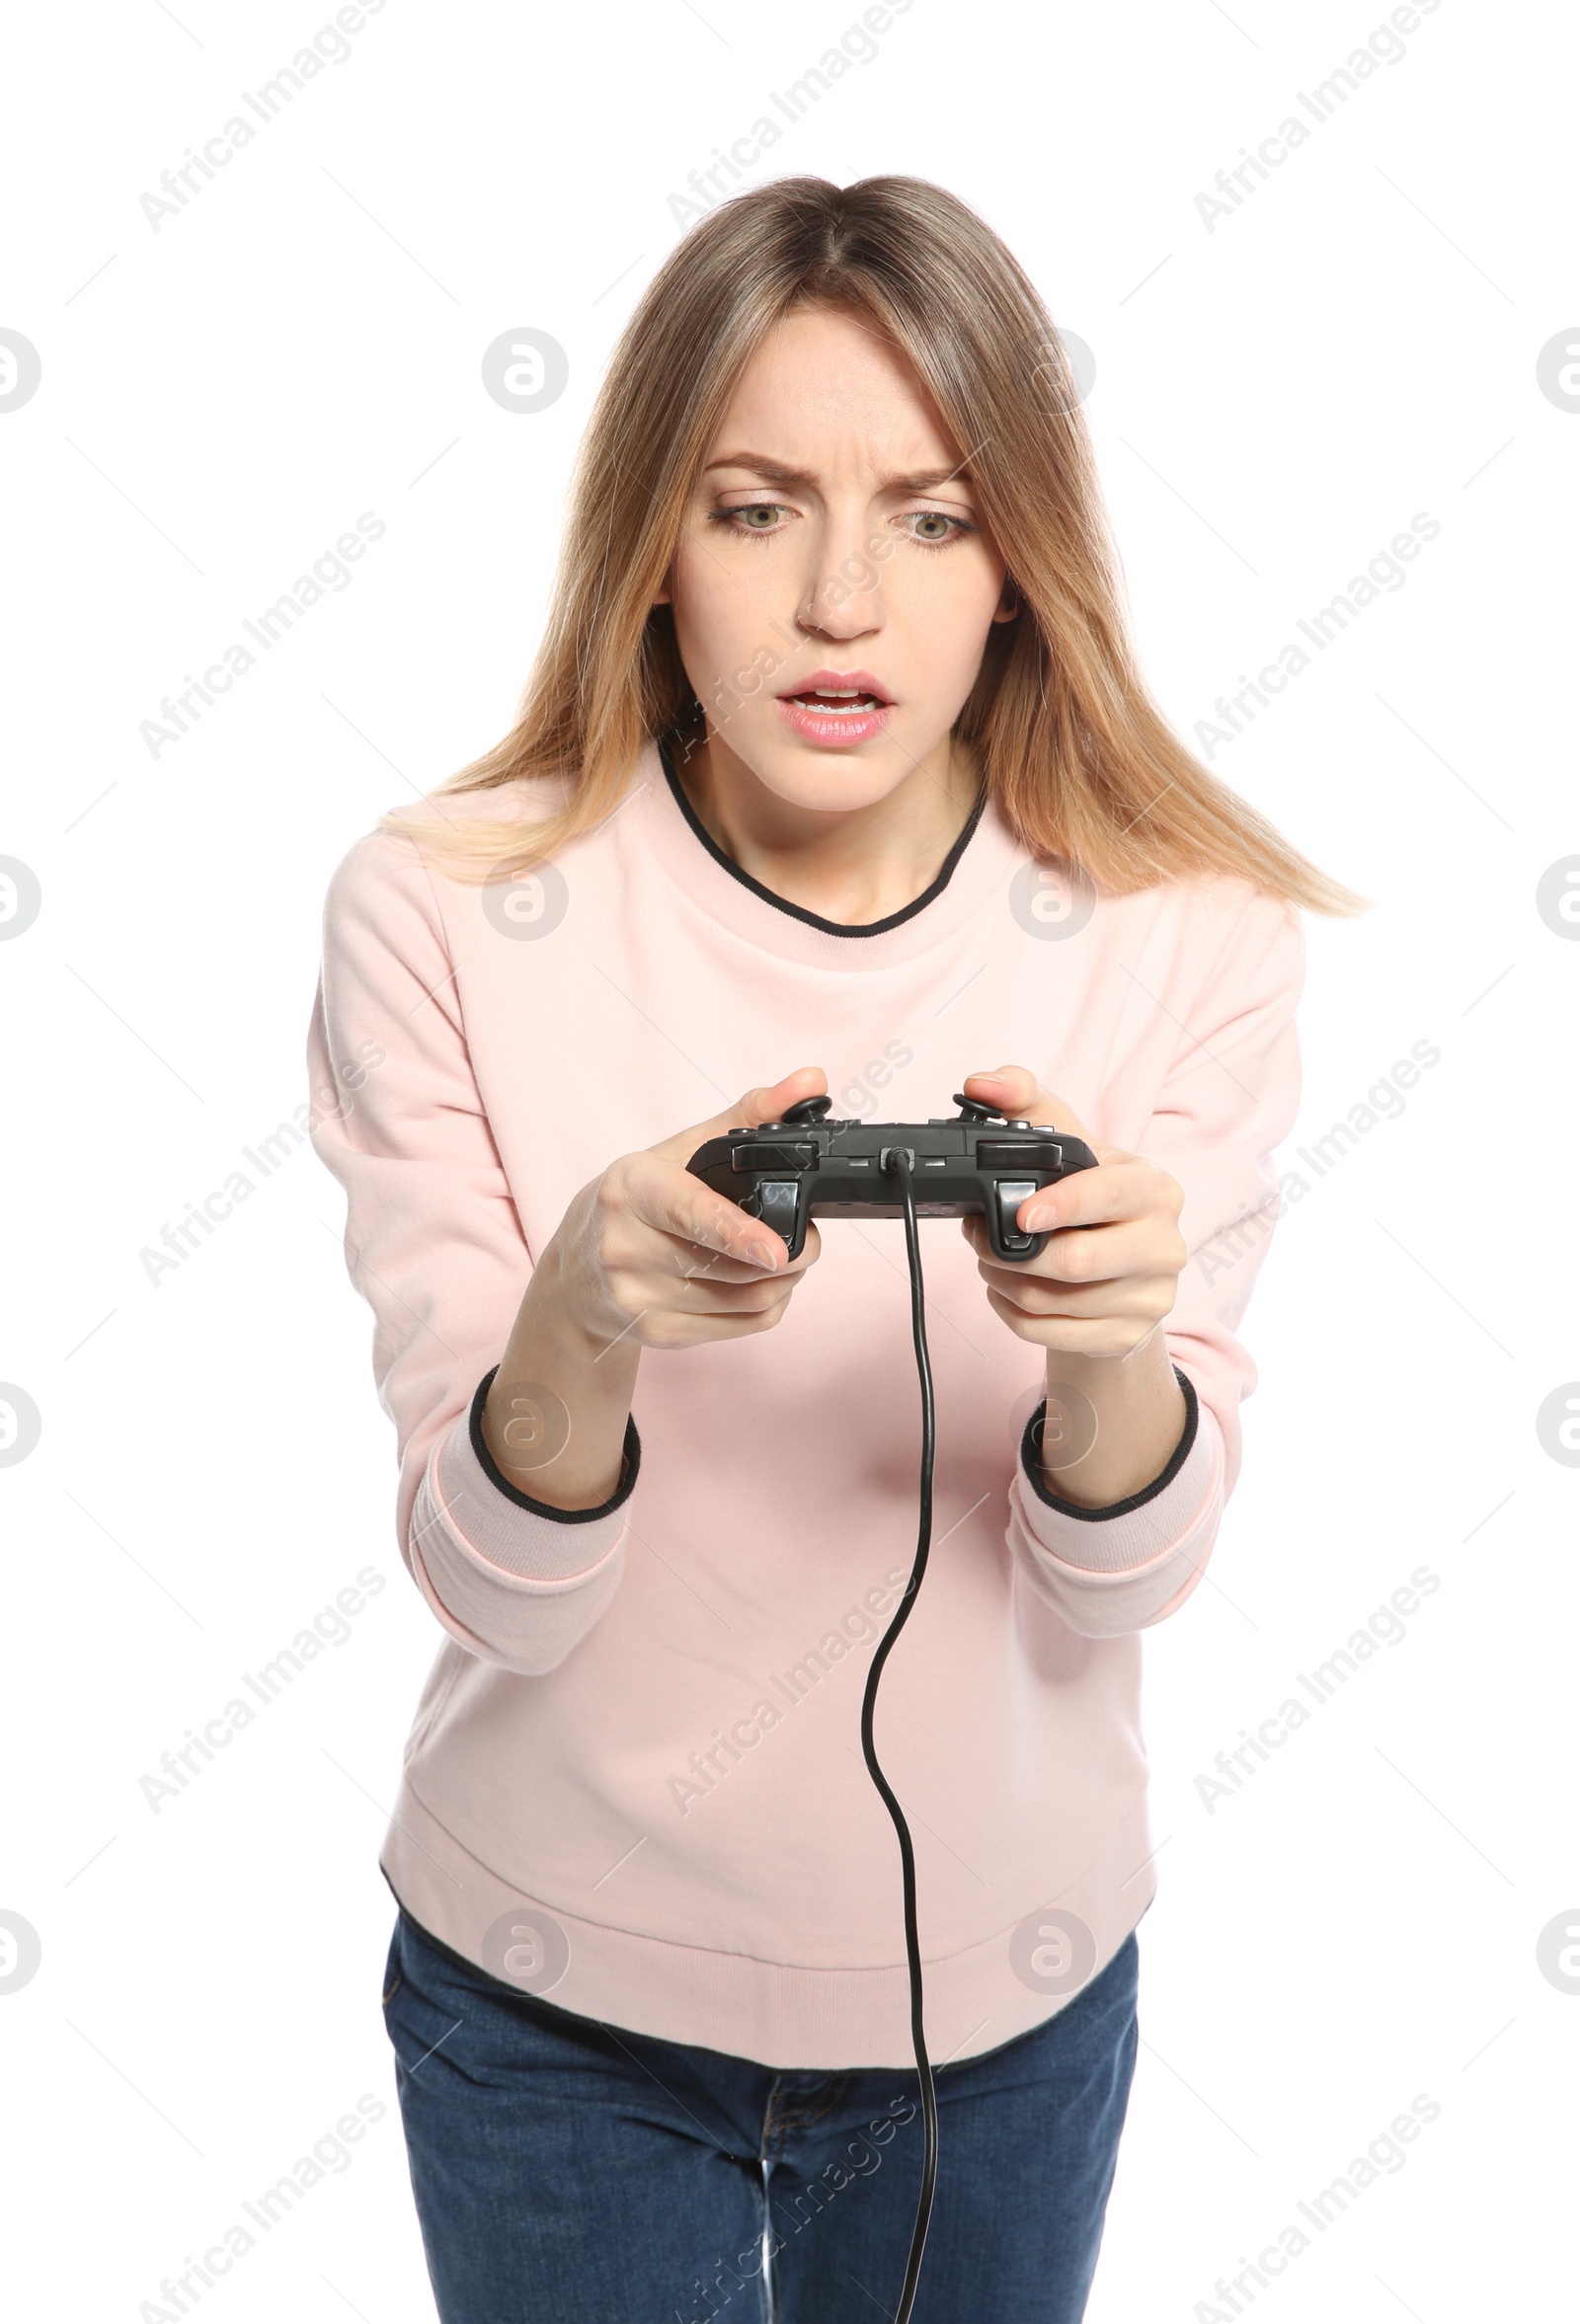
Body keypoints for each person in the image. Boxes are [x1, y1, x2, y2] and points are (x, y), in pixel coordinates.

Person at [307, 175, 1357, 2324]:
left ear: (1019, 574)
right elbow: (484, 1580)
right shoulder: (437, 910)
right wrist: (582, 1314)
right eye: (758, 506)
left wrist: (1103, 1360)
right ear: (649, 552)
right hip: (551, 2002)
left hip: (1008, 2008)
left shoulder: (1186, 940)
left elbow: (1129, 1575)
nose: (842, 604)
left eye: (936, 517)